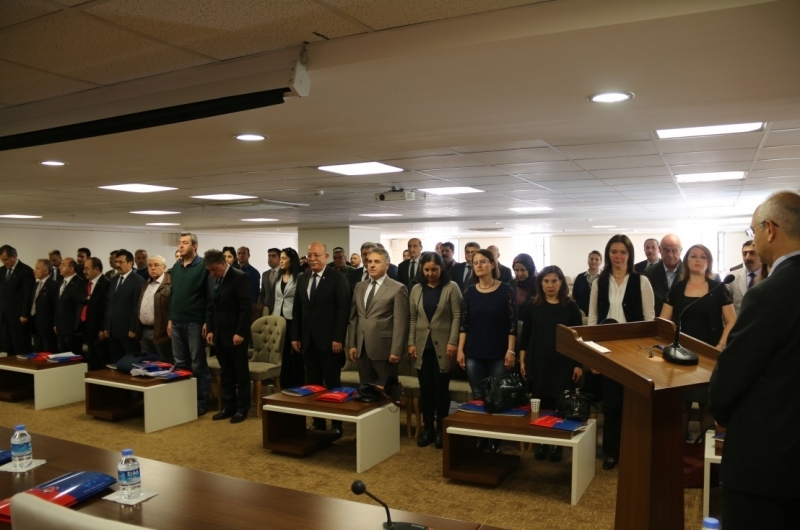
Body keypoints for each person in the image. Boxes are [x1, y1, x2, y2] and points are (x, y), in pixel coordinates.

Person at [709, 191, 800, 529]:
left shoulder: (768, 293)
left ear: (770, 229)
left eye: (753, 231)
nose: (754, 239)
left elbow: (733, 375)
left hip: (766, 460)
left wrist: (719, 411)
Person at [587, 234, 655, 470]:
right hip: (607, 351)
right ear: (608, 254)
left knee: (635, 405)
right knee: (612, 403)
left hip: (634, 352)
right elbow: (592, 320)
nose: (618, 256)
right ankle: (611, 451)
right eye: (614, 252)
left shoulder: (641, 282)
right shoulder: (599, 282)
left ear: (629, 255)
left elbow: (650, 321)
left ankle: (635, 450)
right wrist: (592, 355)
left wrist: (647, 355)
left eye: (623, 252)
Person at [660, 244, 735, 436]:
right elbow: (663, 321)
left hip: (710, 353)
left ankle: (704, 449)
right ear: (686, 261)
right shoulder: (677, 288)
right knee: (681, 404)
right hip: (681, 354)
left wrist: (721, 345)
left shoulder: (719, 288)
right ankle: (679, 447)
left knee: (707, 405)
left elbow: (731, 321)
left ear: (709, 262)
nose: (698, 260)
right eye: (693, 256)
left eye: (703, 256)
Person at [519, 265, 583, 462]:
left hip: (563, 363)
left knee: (560, 405)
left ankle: (557, 445)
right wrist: (522, 359)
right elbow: (525, 334)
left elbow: (578, 339)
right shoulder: (532, 305)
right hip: (539, 361)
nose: (550, 285)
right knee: (541, 404)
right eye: (546, 281)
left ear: (561, 282)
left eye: (554, 281)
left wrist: (578, 364)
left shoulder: (571, 307)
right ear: (540, 283)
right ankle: (542, 442)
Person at [457, 249, 516, 453]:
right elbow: (464, 324)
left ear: (492, 264)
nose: (479, 265)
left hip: (498, 353)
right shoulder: (469, 292)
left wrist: (511, 351)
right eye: (475, 263)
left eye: (483, 261)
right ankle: (480, 435)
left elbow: (512, 325)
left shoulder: (506, 290)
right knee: (478, 395)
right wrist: (460, 350)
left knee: (496, 396)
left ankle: (494, 438)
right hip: (474, 352)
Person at [292, 242, 351, 438]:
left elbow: (343, 310)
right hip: (308, 340)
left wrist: (338, 338)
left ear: (326, 257)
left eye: (316, 255)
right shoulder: (303, 278)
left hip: (330, 341)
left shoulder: (337, 278)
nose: (312, 259)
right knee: (313, 384)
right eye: (309, 255)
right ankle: (318, 421)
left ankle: (337, 424)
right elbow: (298, 309)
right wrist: (295, 336)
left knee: (333, 384)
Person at [408, 252, 462, 449]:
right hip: (423, 346)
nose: (430, 274)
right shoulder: (416, 289)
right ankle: (427, 428)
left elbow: (457, 316)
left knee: (441, 390)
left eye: (434, 270)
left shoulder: (451, 287)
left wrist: (453, 342)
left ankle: (441, 428)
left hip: (444, 346)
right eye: (427, 270)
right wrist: (411, 342)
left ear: (441, 269)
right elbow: (413, 318)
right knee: (426, 389)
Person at [348, 247, 409, 383]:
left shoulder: (398, 288)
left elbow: (401, 323)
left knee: (387, 389)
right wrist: (352, 344)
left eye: (377, 262)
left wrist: (396, 350)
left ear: (387, 266)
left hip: (385, 350)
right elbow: (354, 318)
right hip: (362, 348)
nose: (372, 265)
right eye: (369, 261)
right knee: (366, 390)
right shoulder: (359, 286)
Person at [204, 249, 252, 424]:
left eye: (214, 269)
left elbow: (246, 309)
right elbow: (210, 306)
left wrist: (240, 332)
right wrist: (210, 329)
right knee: (226, 372)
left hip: (236, 334)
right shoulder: (211, 278)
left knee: (240, 372)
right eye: (209, 270)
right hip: (219, 333)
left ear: (223, 263)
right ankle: (228, 407)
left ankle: (242, 408)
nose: (212, 273)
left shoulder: (240, 277)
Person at [169, 232, 212, 416]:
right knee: (180, 363)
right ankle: (183, 400)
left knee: (197, 364)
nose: (180, 246)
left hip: (195, 321)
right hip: (176, 321)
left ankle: (201, 402)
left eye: (185, 243)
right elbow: (173, 295)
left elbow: (209, 296)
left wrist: (207, 321)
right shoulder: (176, 267)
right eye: (179, 243)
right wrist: (170, 319)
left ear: (195, 246)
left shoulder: (203, 266)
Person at [267, 247, 303, 389]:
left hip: (292, 318)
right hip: (278, 318)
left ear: (292, 260)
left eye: (284, 258)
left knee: (295, 352)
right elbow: (276, 298)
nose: (281, 261)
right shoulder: (279, 277)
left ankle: (297, 383)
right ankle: (284, 384)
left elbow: (299, 301)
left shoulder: (300, 277)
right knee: (282, 352)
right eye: (280, 258)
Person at [104, 250, 144, 361]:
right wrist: (107, 326)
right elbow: (109, 304)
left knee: (129, 361)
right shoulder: (113, 280)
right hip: (113, 330)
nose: (117, 265)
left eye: (121, 262)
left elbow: (137, 306)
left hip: (127, 331)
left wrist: (134, 328)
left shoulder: (138, 281)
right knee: (114, 361)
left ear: (130, 263)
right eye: (116, 262)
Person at [137, 255, 173, 362]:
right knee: (147, 363)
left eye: (156, 265)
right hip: (145, 331)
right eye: (150, 265)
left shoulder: (170, 284)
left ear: (164, 267)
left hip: (162, 332)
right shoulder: (146, 284)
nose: (152, 268)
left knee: (165, 363)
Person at [0, 245, 34, 355]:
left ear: (14, 256)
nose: (4, 262)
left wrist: (24, 314)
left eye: (6, 259)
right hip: (4, 316)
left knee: (20, 345)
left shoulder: (25, 271)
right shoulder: (1, 271)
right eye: (2, 260)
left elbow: (27, 295)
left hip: (18, 316)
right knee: (6, 346)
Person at [643, 234, 683, 316]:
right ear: (660, 250)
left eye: (674, 250)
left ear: (681, 250)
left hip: (682, 320)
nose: (670, 255)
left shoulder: (688, 272)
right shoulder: (649, 273)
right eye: (666, 250)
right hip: (657, 320)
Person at [82, 257, 110, 369]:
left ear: (97, 269)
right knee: (91, 358)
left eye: (87, 268)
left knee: (101, 358)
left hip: (99, 329)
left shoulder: (105, 283)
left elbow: (106, 308)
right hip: (88, 328)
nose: (84, 271)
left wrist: (103, 328)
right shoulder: (86, 283)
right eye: (84, 268)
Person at [55, 258, 86, 354]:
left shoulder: (80, 282)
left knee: (73, 356)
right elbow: (58, 305)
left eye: (63, 265)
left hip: (72, 329)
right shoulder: (61, 282)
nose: (60, 267)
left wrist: (78, 328)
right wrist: (56, 323)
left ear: (71, 269)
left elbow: (80, 307)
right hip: (61, 327)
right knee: (63, 355)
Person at [30, 259, 58, 352]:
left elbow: (56, 306)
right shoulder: (36, 285)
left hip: (48, 325)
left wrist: (55, 323)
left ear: (46, 271)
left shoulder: (53, 285)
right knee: (37, 351)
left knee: (48, 350)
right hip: (36, 323)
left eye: (37, 268)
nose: (34, 271)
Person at [728, 240, 762, 315]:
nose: (747, 257)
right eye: (744, 254)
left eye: (752, 253)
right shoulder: (732, 277)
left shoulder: (771, 276)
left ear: (760, 254)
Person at [572, 250, 601, 316]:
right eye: (591, 259)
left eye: (597, 259)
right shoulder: (580, 277)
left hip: (599, 313)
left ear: (600, 262)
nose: (593, 261)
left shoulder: (605, 277)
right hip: (582, 312)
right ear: (588, 260)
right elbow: (575, 295)